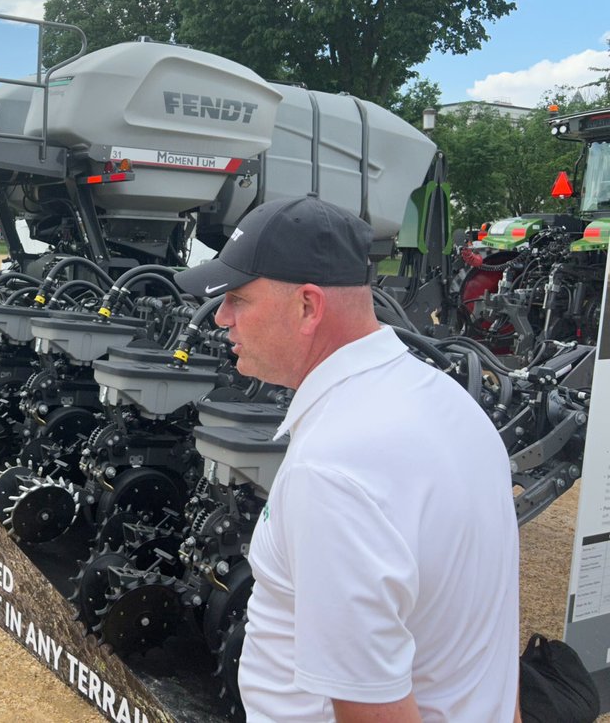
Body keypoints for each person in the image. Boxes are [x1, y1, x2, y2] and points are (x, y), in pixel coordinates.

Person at [174, 196, 519, 723]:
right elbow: (488, 652)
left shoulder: (334, 468)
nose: (220, 319)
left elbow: (372, 708)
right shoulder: (451, 405)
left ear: (308, 307)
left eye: (238, 299)